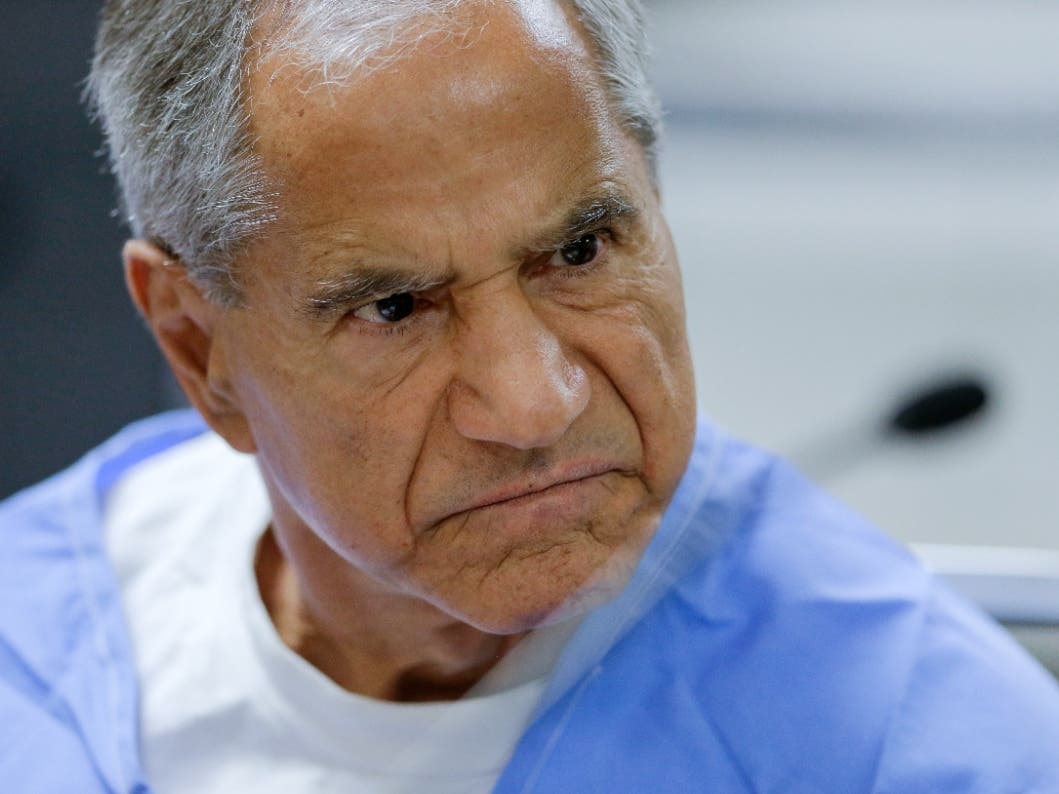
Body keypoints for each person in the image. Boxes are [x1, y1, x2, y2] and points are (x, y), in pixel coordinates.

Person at [2, 1, 1058, 791]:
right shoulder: (32, 654)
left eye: (582, 248)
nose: (534, 401)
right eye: (394, 306)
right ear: (199, 347)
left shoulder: (921, 747)